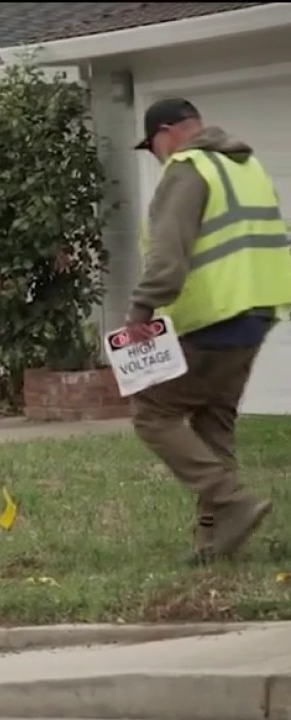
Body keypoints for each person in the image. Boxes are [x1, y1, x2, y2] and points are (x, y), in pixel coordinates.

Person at [127, 97, 291, 564]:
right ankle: (213, 541)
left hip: (215, 316)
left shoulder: (187, 170)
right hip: (258, 311)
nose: (157, 156)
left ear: (165, 133)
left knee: (152, 412)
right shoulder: (246, 167)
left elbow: (169, 253)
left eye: (152, 147)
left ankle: (229, 498)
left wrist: (141, 309)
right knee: (213, 420)